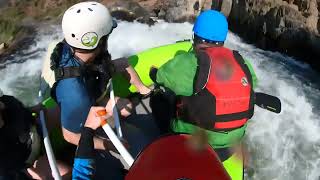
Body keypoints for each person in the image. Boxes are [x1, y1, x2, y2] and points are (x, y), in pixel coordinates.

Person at [150, 10, 258, 149]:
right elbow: (253, 83)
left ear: (195, 36)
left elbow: (160, 77)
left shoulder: (188, 61)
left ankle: (167, 143)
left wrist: (153, 71)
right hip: (234, 141)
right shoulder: (242, 62)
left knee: (158, 97)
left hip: (195, 143)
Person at [50, 1, 151, 149]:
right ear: (97, 41)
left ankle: (144, 90)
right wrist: (110, 145)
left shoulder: (75, 45)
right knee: (135, 135)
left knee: (126, 104)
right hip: (81, 102)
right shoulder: (75, 94)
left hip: (90, 84)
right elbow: (70, 136)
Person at [0, 89, 71, 179]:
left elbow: (22, 111)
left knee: (66, 108)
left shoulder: (8, 101)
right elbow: (10, 170)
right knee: (65, 173)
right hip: (30, 160)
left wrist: (33, 109)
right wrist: (29, 172)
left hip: (37, 130)